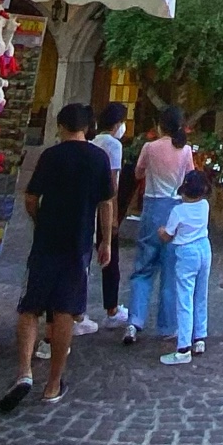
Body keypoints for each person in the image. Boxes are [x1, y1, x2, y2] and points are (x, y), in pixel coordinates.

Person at [0, 101, 114, 413]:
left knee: (30, 307)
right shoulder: (99, 158)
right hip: (78, 243)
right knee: (65, 311)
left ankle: (24, 371)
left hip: (47, 240)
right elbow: (106, 203)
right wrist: (106, 241)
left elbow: (31, 197)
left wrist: (40, 219)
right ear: (87, 127)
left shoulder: (50, 155)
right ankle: (53, 384)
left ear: (61, 126)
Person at [124, 105, 194, 347]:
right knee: (170, 271)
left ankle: (134, 321)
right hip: (174, 209)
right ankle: (167, 326)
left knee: (143, 267)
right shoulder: (185, 150)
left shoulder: (149, 147)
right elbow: (190, 180)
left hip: (152, 208)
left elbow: (138, 173)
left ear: (159, 125)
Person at [158, 168, 213, 364]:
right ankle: (199, 338)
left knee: (184, 299)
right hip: (204, 248)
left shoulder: (178, 211)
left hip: (186, 252)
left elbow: (168, 235)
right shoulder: (205, 205)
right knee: (201, 294)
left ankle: (183, 348)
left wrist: (161, 231)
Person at [92, 102, 128, 328]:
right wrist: (113, 215)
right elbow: (112, 182)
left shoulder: (93, 141)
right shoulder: (114, 145)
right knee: (110, 258)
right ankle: (112, 308)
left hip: (89, 205)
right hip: (105, 206)